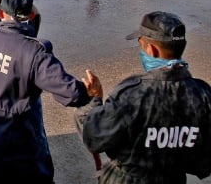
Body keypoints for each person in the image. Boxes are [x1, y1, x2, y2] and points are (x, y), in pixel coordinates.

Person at [0, 0, 101, 183]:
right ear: (31, 14)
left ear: (2, 14)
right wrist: (90, 91)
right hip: (17, 151)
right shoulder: (35, 53)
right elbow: (71, 93)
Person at [76, 11, 211, 183]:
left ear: (151, 49)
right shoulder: (203, 94)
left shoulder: (131, 93)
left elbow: (94, 138)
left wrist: (93, 101)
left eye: (140, 44)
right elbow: (203, 164)